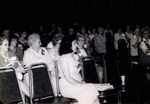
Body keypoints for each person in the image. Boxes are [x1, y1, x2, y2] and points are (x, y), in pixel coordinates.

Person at [57, 35, 100, 104]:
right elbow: (68, 78)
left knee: (92, 88)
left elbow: (77, 73)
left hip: (77, 84)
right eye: (74, 43)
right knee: (91, 88)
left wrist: (83, 82)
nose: (76, 45)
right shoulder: (63, 59)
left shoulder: (75, 56)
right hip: (67, 86)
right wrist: (81, 85)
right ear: (68, 45)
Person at [0, 36, 29, 103]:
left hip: (14, 79)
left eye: (8, 44)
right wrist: (16, 70)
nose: (7, 46)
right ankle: (31, 95)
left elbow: (18, 64)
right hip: (2, 82)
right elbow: (2, 74)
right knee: (18, 84)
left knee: (18, 83)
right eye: (5, 45)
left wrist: (22, 68)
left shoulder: (11, 54)